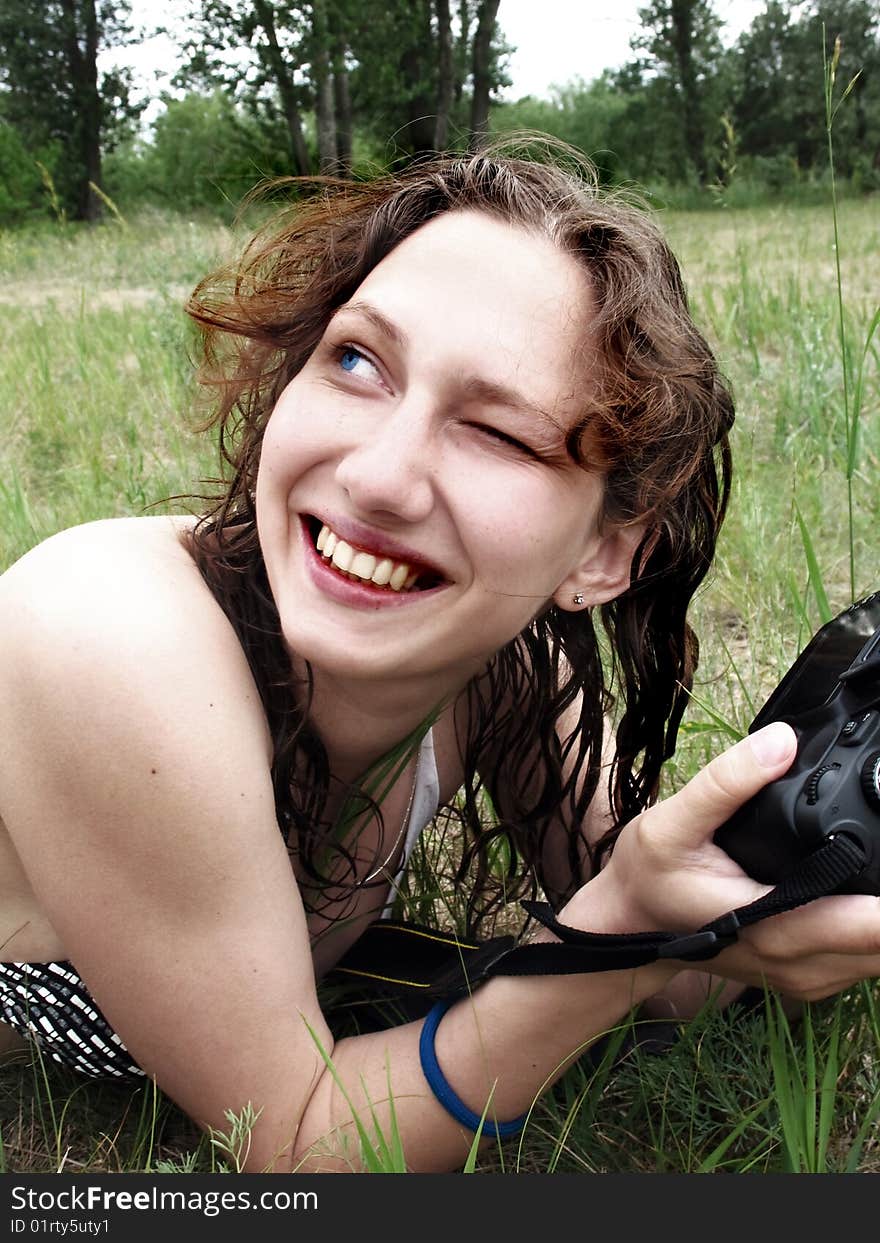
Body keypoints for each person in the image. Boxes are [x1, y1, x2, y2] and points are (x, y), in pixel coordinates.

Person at [0, 145, 877, 1175]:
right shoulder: (104, 630)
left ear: (601, 554)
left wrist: (794, 865)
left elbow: (675, 974)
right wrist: (610, 933)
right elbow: (299, 1140)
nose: (376, 476)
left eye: (499, 432)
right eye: (357, 361)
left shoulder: (503, 674)